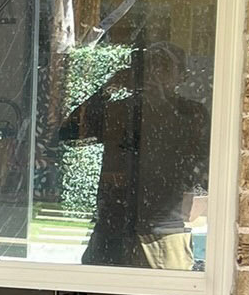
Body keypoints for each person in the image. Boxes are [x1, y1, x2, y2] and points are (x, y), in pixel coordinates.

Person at [59, 41, 208, 269]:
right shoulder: (121, 111)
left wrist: (160, 100)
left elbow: (203, 161)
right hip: (112, 227)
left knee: (165, 292)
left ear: (182, 76)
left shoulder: (191, 113)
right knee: (99, 290)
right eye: (149, 66)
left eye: (164, 67)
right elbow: (69, 133)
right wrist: (109, 87)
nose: (155, 73)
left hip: (162, 230)